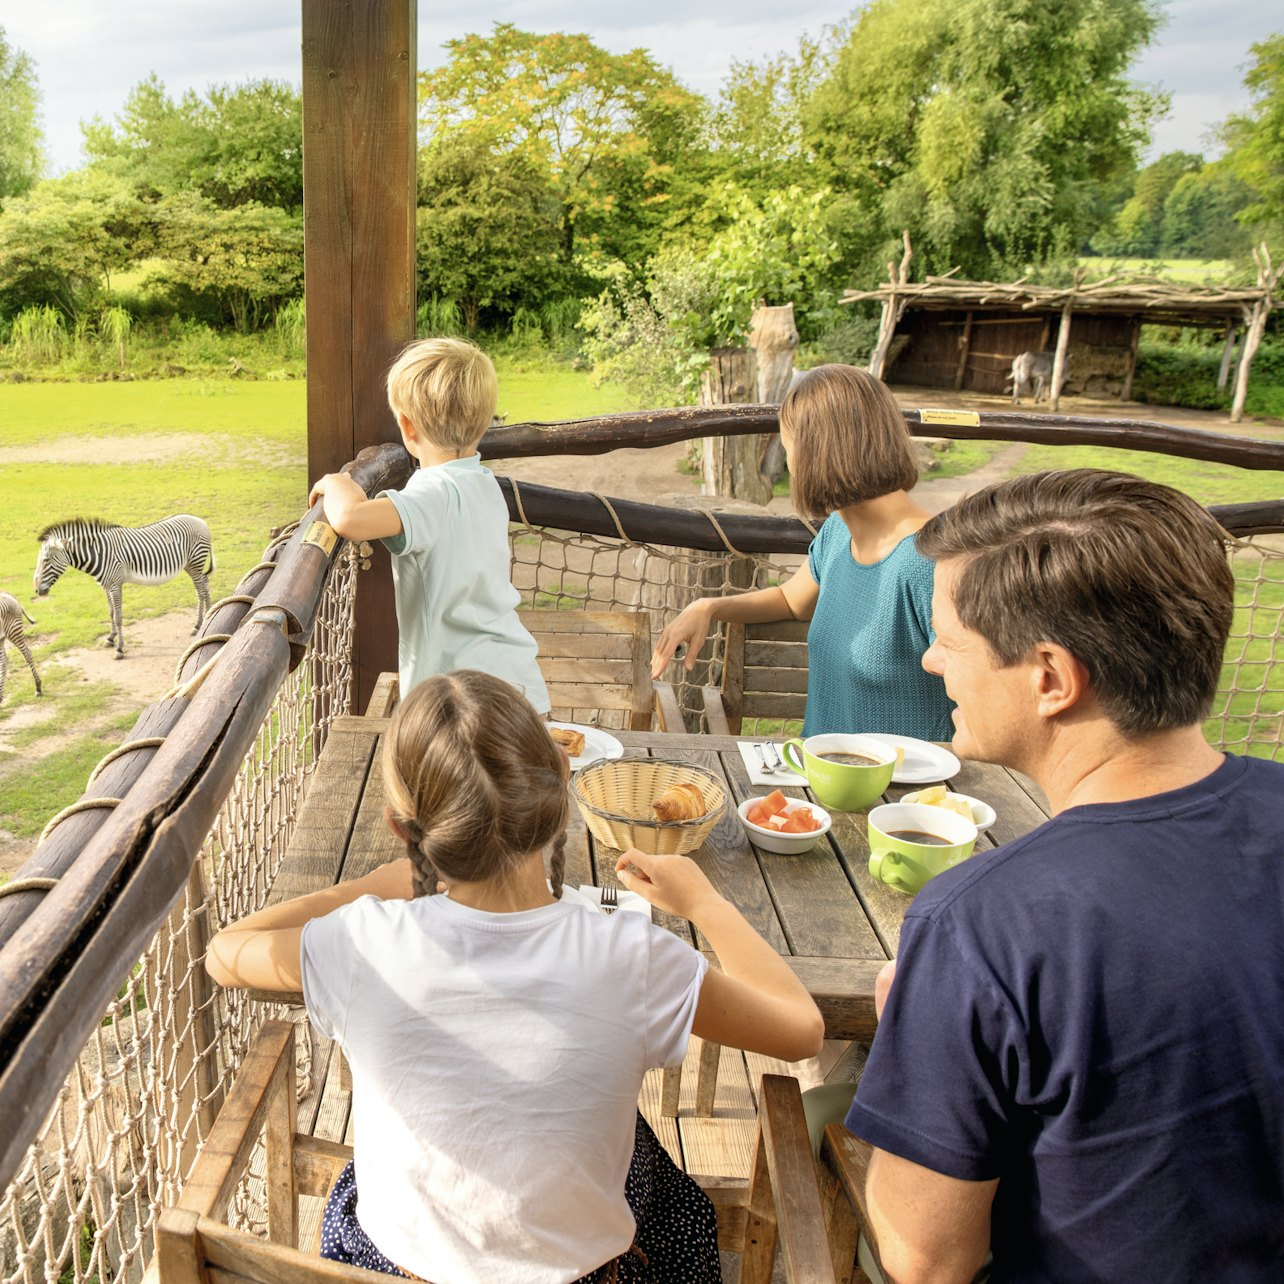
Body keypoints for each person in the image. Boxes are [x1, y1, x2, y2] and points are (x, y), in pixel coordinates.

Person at [205, 669, 824, 1284]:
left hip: (391, 1268)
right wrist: (706, 904)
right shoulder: (633, 957)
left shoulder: (360, 942)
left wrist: (366, 889)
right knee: (660, 1183)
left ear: (404, 830)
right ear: (561, 792)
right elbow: (801, 1031)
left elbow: (225, 951)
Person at [838, 469, 1284, 1282]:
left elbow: (925, 1261)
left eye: (949, 639)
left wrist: (911, 1047)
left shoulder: (981, 925)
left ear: (1050, 677)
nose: (932, 660)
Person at [650, 363, 952, 741]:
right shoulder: (840, 531)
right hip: (823, 777)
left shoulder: (931, 561)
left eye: (788, 446)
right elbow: (792, 600)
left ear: (818, 452)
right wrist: (708, 607)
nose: (789, 464)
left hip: (905, 794)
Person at [308, 337, 549, 713]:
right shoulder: (483, 483)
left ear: (407, 426)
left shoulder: (432, 496)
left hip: (462, 702)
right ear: (485, 421)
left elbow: (350, 519)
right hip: (518, 687)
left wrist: (340, 483)